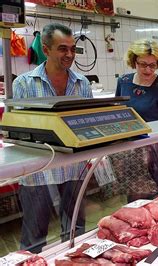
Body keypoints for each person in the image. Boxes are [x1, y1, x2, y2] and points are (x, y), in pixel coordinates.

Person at [12, 23, 92, 253]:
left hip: (74, 170)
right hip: (38, 172)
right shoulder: (24, 84)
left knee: (76, 229)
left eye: (72, 49)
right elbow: (19, 130)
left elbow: (87, 124)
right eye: (62, 49)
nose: (69, 55)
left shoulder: (82, 83)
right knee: (34, 236)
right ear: (46, 50)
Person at [115, 39, 158, 200]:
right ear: (133, 61)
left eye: (153, 65)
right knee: (135, 198)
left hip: (157, 148)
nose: (148, 69)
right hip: (131, 148)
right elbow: (116, 112)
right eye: (143, 64)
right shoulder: (123, 82)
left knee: (156, 197)